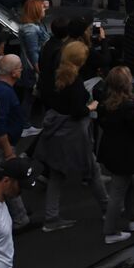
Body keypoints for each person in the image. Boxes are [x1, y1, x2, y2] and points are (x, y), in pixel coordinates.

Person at [34, 40, 109, 233]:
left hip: (55, 128)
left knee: (56, 174)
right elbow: (78, 111)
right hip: (75, 133)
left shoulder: (54, 74)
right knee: (92, 170)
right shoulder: (74, 82)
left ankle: (51, 217)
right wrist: (91, 107)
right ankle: (108, 209)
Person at [95, 66, 134, 245]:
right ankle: (110, 231)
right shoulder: (128, 107)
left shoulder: (105, 103)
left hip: (111, 151)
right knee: (117, 192)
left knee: (129, 182)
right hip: (125, 154)